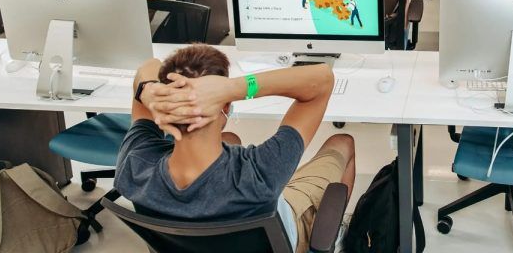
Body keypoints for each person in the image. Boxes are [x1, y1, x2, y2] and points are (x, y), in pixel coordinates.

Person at [116, 45, 355, 253]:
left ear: (160, 106)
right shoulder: (260, 173)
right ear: (227, 107)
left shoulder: (135, 164)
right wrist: (236, 87)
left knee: (230, 139)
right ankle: (338, 236)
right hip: (283, 237)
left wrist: (147, 89)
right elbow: (322, 79)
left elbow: (148, 66)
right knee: (343, 142)